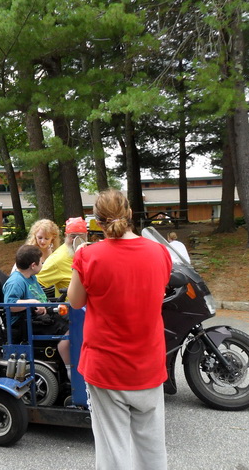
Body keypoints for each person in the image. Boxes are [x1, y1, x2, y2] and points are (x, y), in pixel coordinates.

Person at [67, 189, 172, 470]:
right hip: (148, 365)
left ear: (97, 222)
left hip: (106, 366)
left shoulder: (88, 256)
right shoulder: (159, 252)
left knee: (113, 450)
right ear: (129, 214)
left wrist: (79, 258)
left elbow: (75, 301)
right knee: (152, 448)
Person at [3, 245, 70, 370]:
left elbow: (40, 300)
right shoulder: (16, 281)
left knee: (73, 318)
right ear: (33, 265)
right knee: (68, 329)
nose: (43, 264)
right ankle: (69, 368)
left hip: (38, 316)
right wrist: (32, 302)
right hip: (23, 324)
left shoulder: (31, 277)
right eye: (41, 262)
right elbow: (10, 305)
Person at [37, 217, 88, 298]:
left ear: (86, 235)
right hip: (70, 308)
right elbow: (34, 284)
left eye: (80, 236)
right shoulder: (58, 259)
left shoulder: (91, 253)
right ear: (66, 235)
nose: (76, 240)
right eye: (73, 236)